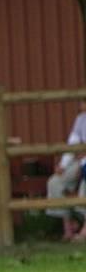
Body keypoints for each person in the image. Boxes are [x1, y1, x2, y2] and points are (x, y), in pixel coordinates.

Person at [46, 100, 86, 241]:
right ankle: (68, 227)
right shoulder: (80, 119)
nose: (81, 105)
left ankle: (84, 230)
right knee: (55, 182)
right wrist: (63, 165)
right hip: (79, 159)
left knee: (84, 185)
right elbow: (73, 143)